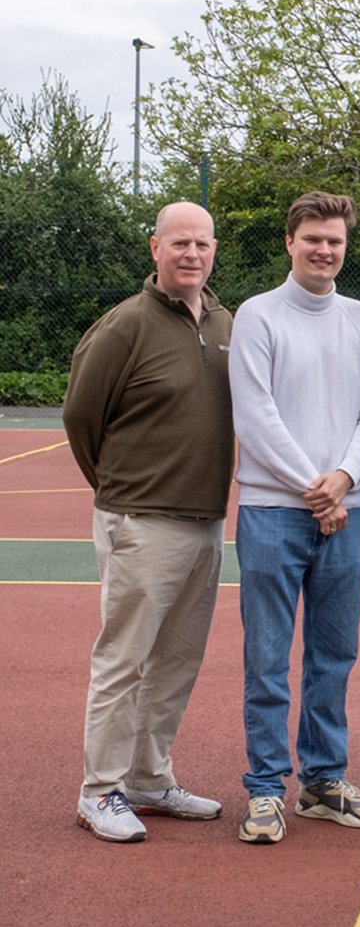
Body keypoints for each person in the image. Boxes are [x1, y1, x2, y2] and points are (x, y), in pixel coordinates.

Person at [63, 201, 231, 842]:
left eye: (203, 244)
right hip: (141, 521)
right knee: (123, 660)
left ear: (214, 250)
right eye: (180, 243)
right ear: (155, 247)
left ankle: (148, 779)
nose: (192, 254)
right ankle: (98, 791)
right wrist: (118, 492)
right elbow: (81, 418)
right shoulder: (124, 326)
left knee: (176, 661)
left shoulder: (223, 321)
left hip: (206, 521)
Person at [228, 191, 360, 844]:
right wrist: (312, 488)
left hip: (346, 514)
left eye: (335, 240)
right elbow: (255, 414)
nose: (325, 249)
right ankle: (266, 790)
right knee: (266, 658)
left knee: (334, 655)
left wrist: (343, 480)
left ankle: (322, 783)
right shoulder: (258, 316)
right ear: (289, 242)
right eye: (313, 238)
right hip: (272, 513)